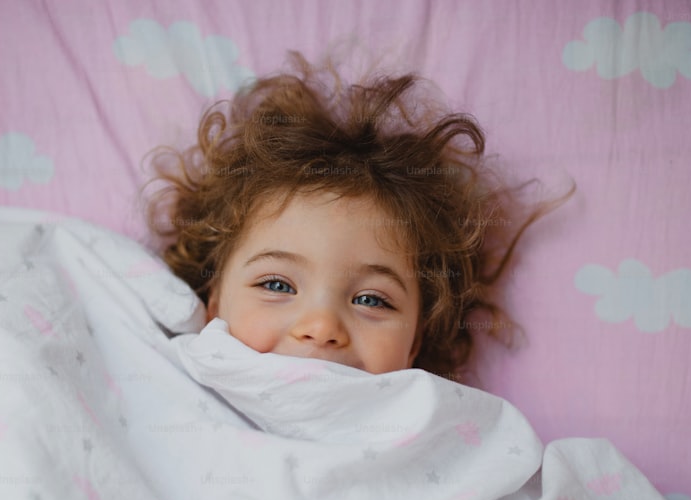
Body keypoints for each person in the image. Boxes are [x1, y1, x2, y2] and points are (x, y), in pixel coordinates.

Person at [145, 52, 572, 381]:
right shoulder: (171, 389)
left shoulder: (440, 427)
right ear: (214, 306)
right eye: (277, 284)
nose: (322, 326)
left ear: (413, 344)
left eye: (371, 299)